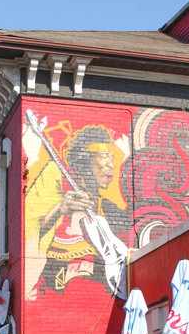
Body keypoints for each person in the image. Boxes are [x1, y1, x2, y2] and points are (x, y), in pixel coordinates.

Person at [26, 124, 129, 298]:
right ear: (82, 163)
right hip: (60, 293)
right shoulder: (62, 197)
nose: (111, 165)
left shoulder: (111, 208)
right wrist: (60, 209)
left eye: (112, 157)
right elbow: (30, 233)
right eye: (104, 157)